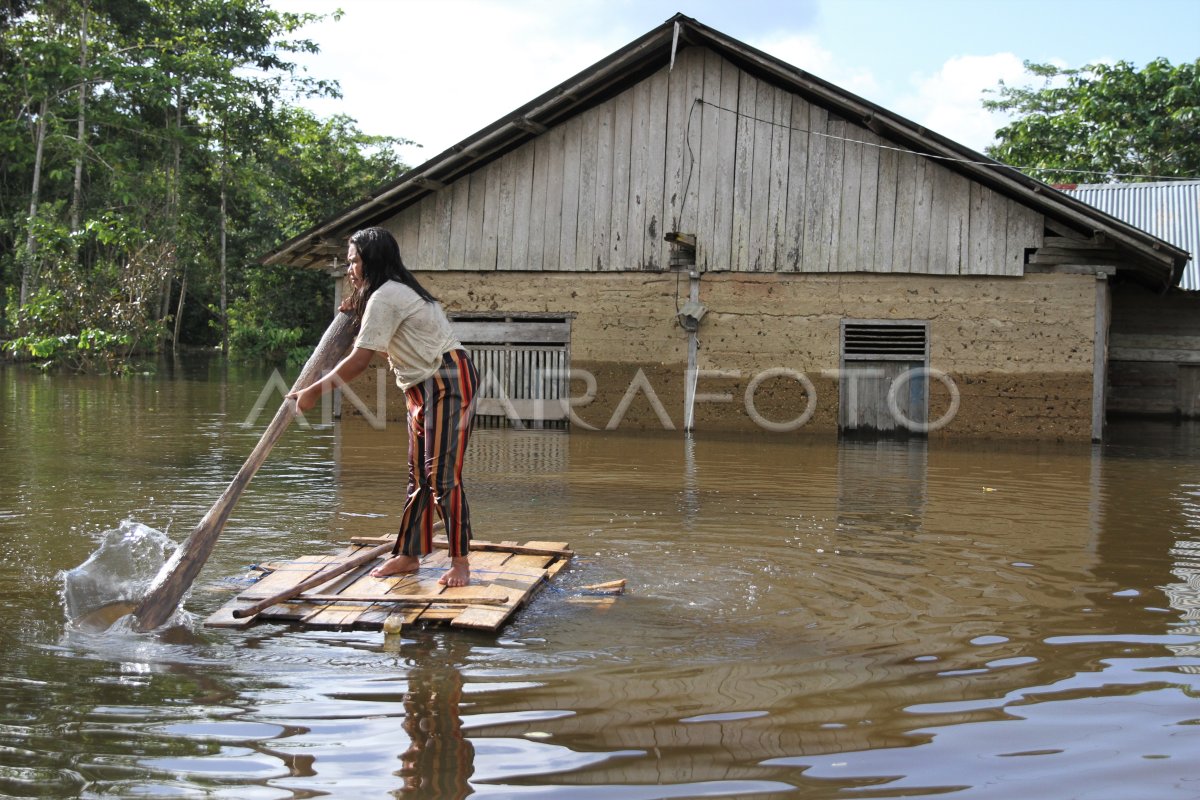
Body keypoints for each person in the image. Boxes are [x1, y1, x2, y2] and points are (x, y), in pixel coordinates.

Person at [289, 227, 479, 587]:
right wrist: (356, 305)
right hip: (421, 385)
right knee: (419, 478)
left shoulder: (388, 296)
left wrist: (313, 391)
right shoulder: (386, 294)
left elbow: (360, 360)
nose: (350, 269)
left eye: (354, 262)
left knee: (441, 477)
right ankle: (408, 555)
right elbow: (369, 323)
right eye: (348, 262)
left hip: (448, 379)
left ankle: (460, 562)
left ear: (372, 261)